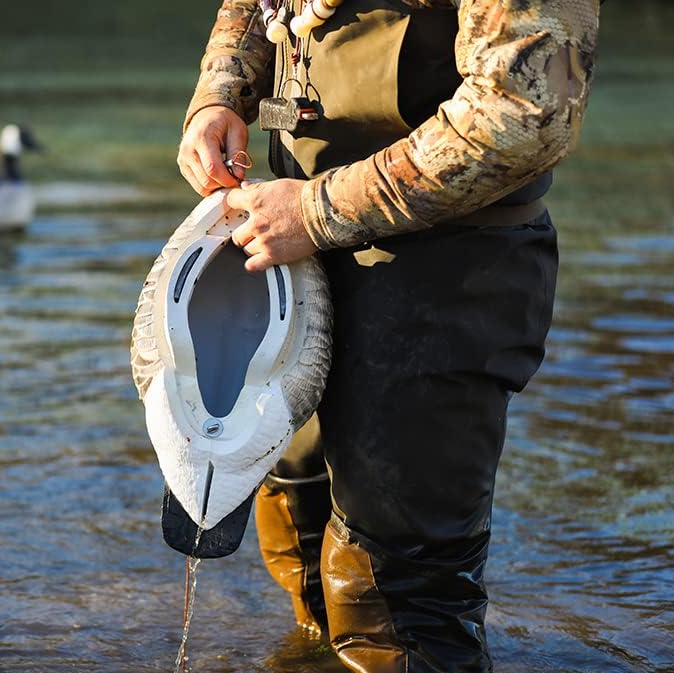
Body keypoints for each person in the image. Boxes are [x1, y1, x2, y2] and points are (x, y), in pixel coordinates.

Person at [176, 1, 600, 671]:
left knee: (400, 595)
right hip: (293, 250)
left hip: (447, 267)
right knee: (300, 529)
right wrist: (220, 95)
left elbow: (527, 114)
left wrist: (315, 210)